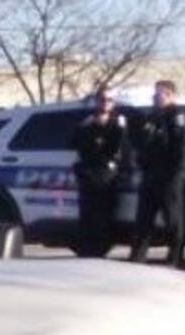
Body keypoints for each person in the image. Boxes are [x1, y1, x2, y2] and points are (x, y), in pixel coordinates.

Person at [130, 79, 185, 265]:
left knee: (173, 219)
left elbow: (184, 147)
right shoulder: (152, 117)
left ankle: (175, 257)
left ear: (170, 95)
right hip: (151, 175)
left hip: (170, 175)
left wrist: (177, 173)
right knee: (143, 219)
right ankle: (137, 257)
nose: (155, 98)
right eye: (155, 94)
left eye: (158, 94)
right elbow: (143, 143)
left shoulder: (179, 116)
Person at [70, 87, 130, 258]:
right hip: (87, 173)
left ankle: (100, 249)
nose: (105, 103)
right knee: (87, 213)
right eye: (102, 99)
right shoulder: (86, 122)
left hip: (108, 175)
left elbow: (124, 149)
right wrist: (83, 128)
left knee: (104, 214)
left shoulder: (119, 122)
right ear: (96, 101)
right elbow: (72, 144)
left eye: (109, 100)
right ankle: (86, 249)